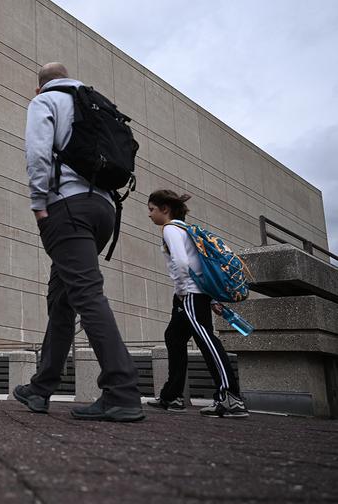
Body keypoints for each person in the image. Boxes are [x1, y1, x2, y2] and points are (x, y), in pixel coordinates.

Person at [13, 62, 144, 422]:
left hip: (68, 208)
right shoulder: (94, 101)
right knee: (62, 299)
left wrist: (39, 203)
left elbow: (37, 153)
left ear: (39, 87)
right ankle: (41, 388)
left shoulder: (46, 101)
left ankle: (121, 391)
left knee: (85, 293)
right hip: (103, 209)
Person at [146, 189, 248, 418]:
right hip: (194, 293)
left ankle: (231, 398)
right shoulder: (186, 229)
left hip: (188, 294)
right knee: (174, 336)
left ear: (165, 209)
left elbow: (181, 262)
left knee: (206, 340)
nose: (149, 215)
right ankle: (172, 396)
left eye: (151, 209)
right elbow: (199, 263)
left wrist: (183, 292)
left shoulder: (171, 229)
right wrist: (209, 297)